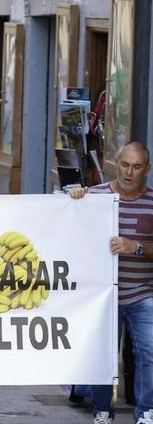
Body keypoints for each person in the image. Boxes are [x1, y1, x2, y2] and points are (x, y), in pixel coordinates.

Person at [69, 142, 153, 424]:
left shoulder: (152, 201)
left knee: (150, 352)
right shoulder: (96, 196)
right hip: (104, 293)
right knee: (103, 355)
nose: (129, 172)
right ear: (116, 164)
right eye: (124, 165)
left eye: (137, 166)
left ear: (147, 170)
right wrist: (76, 200)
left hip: (142, 293)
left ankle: (146, 411)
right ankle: (102, 410)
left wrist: (135, 247)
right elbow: (68, 228)